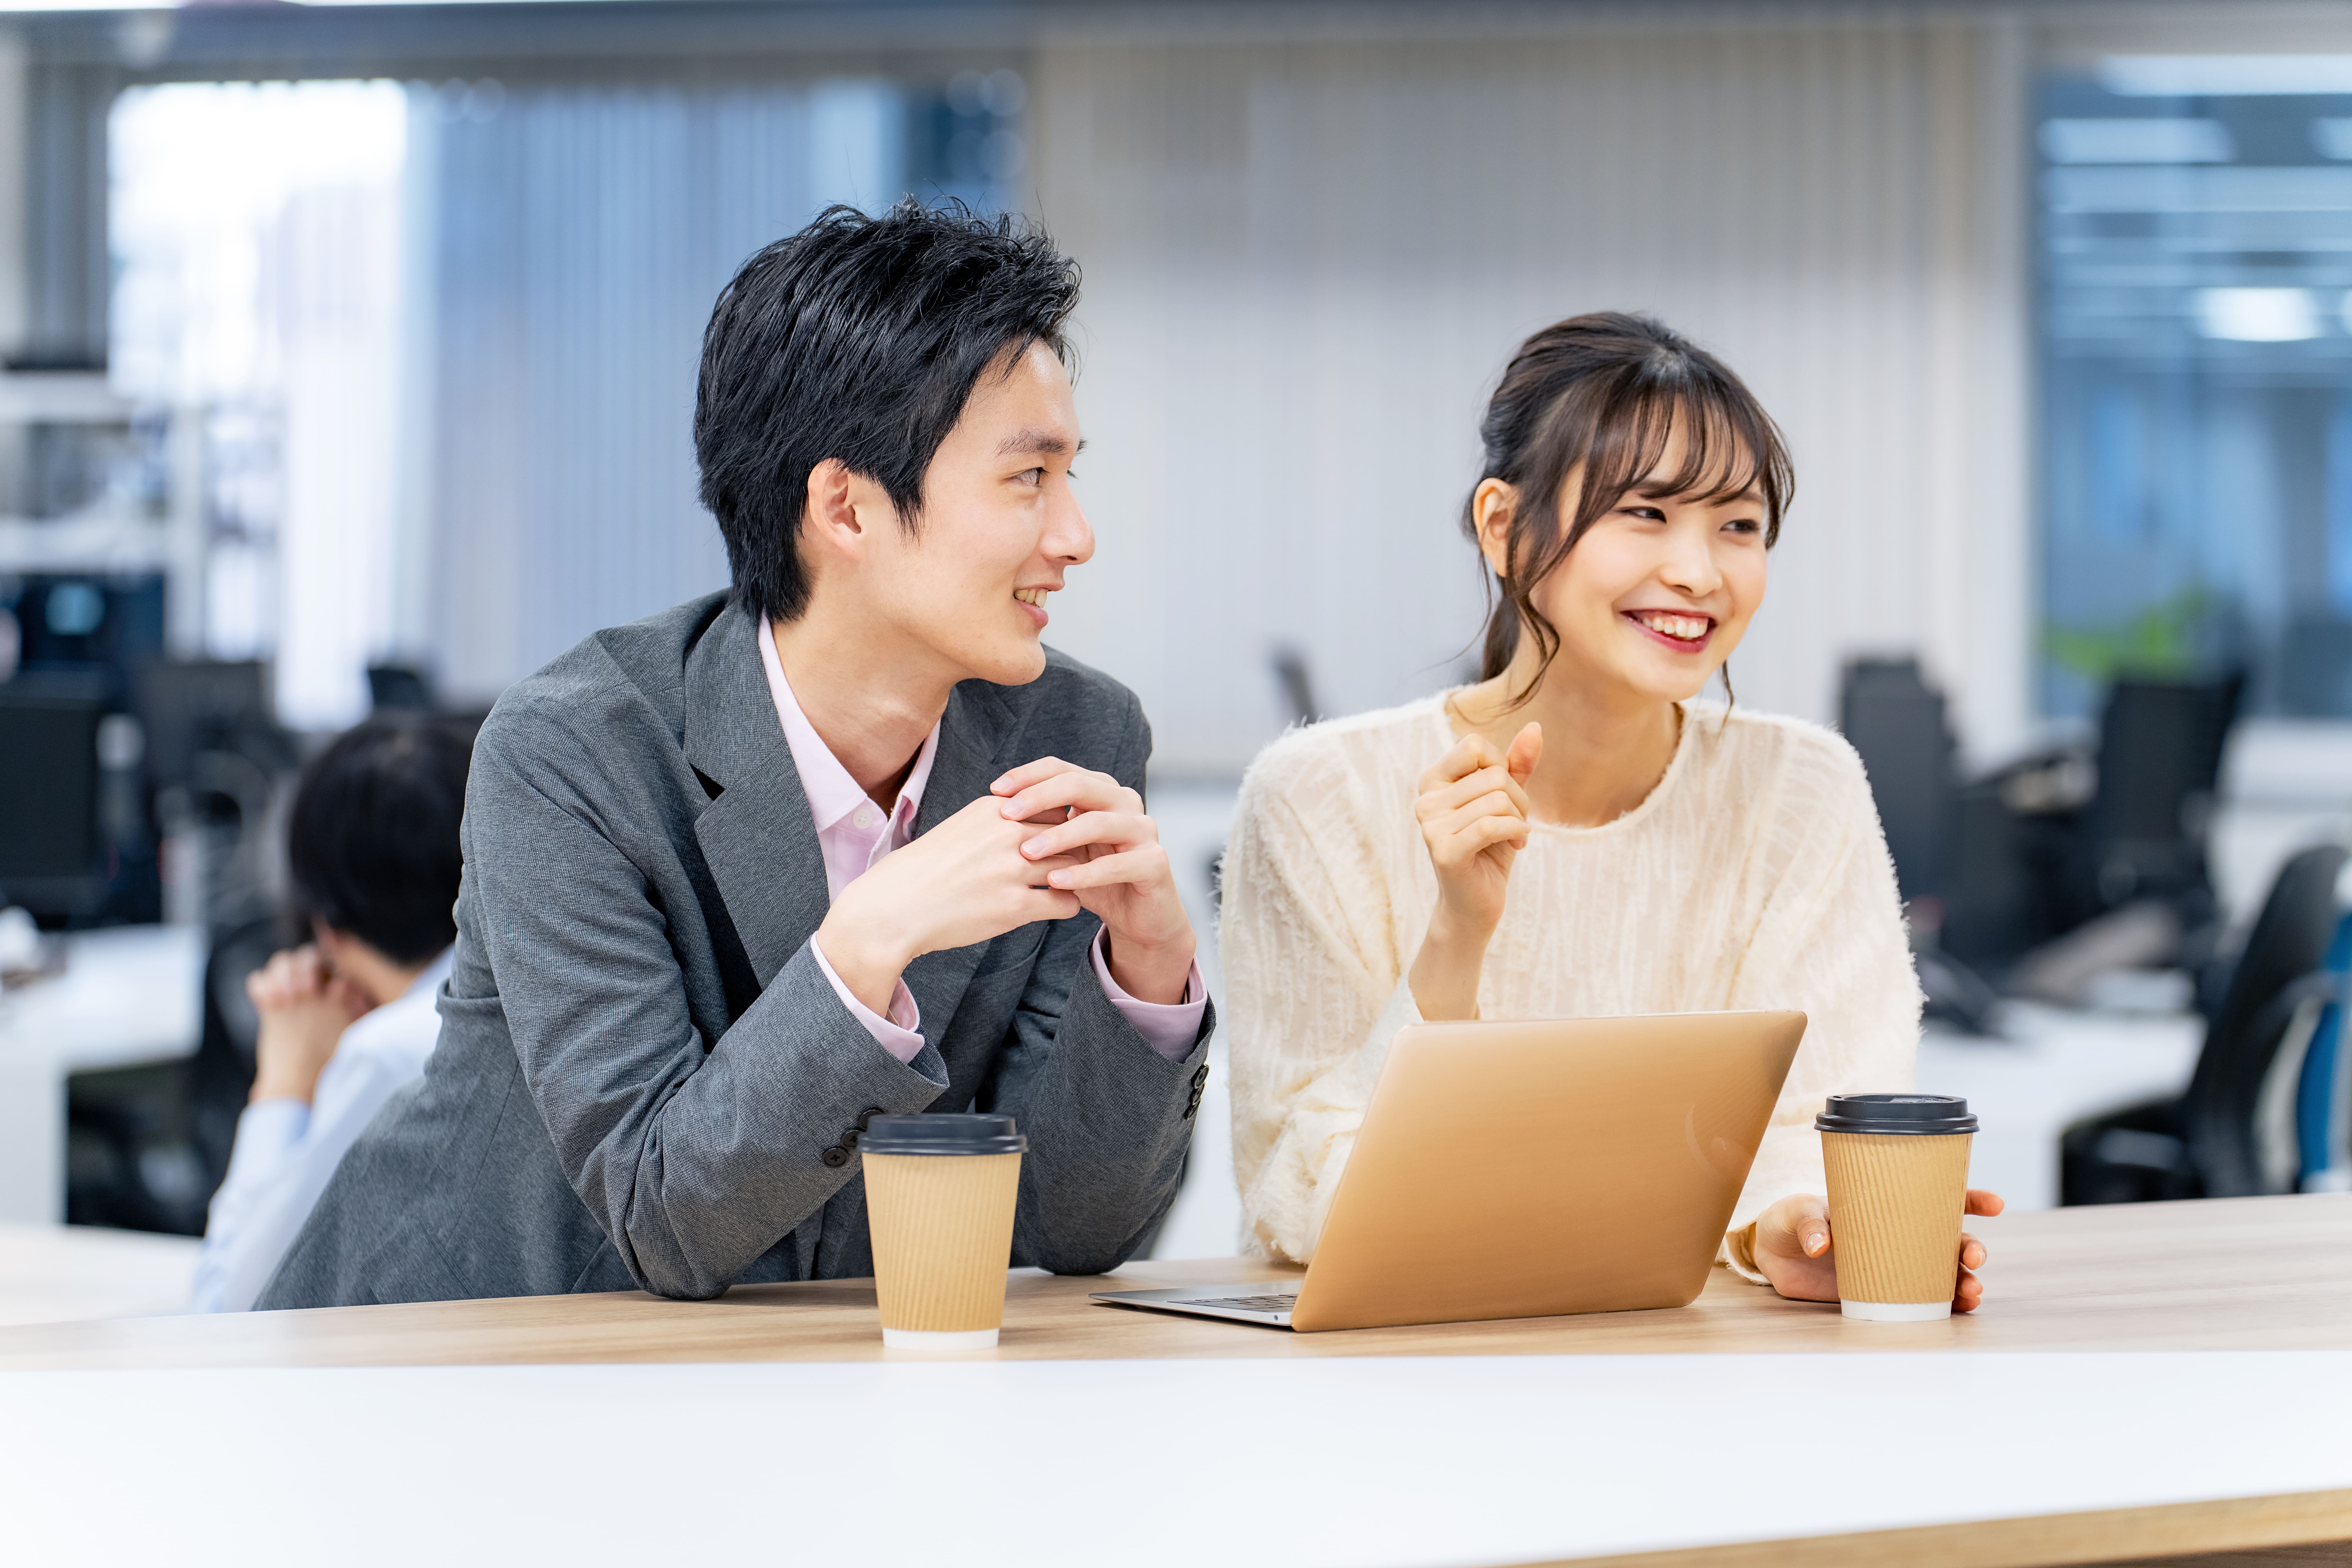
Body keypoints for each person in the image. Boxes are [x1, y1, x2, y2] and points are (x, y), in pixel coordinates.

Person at [259, 201, 1213, 1309]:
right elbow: (663, 1214)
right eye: (1029, 478)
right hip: (451, 1360)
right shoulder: (577, 752)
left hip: (788, 1384)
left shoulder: (1079, 735)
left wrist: (1149, 976)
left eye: (1071, 475)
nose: (1076, 537)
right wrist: (869, 940)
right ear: (846, 508)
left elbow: (1069, 1229)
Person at [1221, 312, 2000, 1310]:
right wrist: (1457, 938)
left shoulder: (1802, 790)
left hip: (1692, 1361)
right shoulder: (1319, 795)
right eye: (1645, 512)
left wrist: (1793, 1226)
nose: (1699, 573)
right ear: (1504, 529)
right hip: (1402, 1362)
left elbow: (1813, 1131)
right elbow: (1300, 1199)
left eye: (1739, 526)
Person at [188, 716, 470, 1313]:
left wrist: (285, 1081)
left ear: (325, 923)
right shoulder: (534, 997)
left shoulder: (391, 1053)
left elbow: (229, 1308)